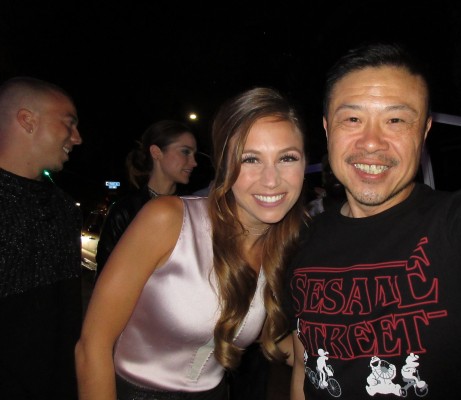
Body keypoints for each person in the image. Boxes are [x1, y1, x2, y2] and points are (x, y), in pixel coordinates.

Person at [286, 42, 461, 399]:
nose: (372, 143)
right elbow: (303, 366)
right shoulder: (302, 241)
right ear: (327, 128)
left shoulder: (457, 222)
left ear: (425, 131)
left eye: (396, 120)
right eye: (352, 119)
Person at [75, 86, 307, 400]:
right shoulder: (169, 220)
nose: (271, 180)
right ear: (225, 165)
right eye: (250, 158)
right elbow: (92, 345)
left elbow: (268, 338)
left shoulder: (285, 249)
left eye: (287, 158)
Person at [0, 76, 83, 399]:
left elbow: (67, 319)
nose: (77, 138)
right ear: (27, 120)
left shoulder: (63, 208)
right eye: (69, 123)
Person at [95, 119, 198, 279]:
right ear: (156, 152)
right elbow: (106, 275)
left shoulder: (193, 208)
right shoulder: (125, 210)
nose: (194, 162)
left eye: (194, 154)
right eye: (185, 152)